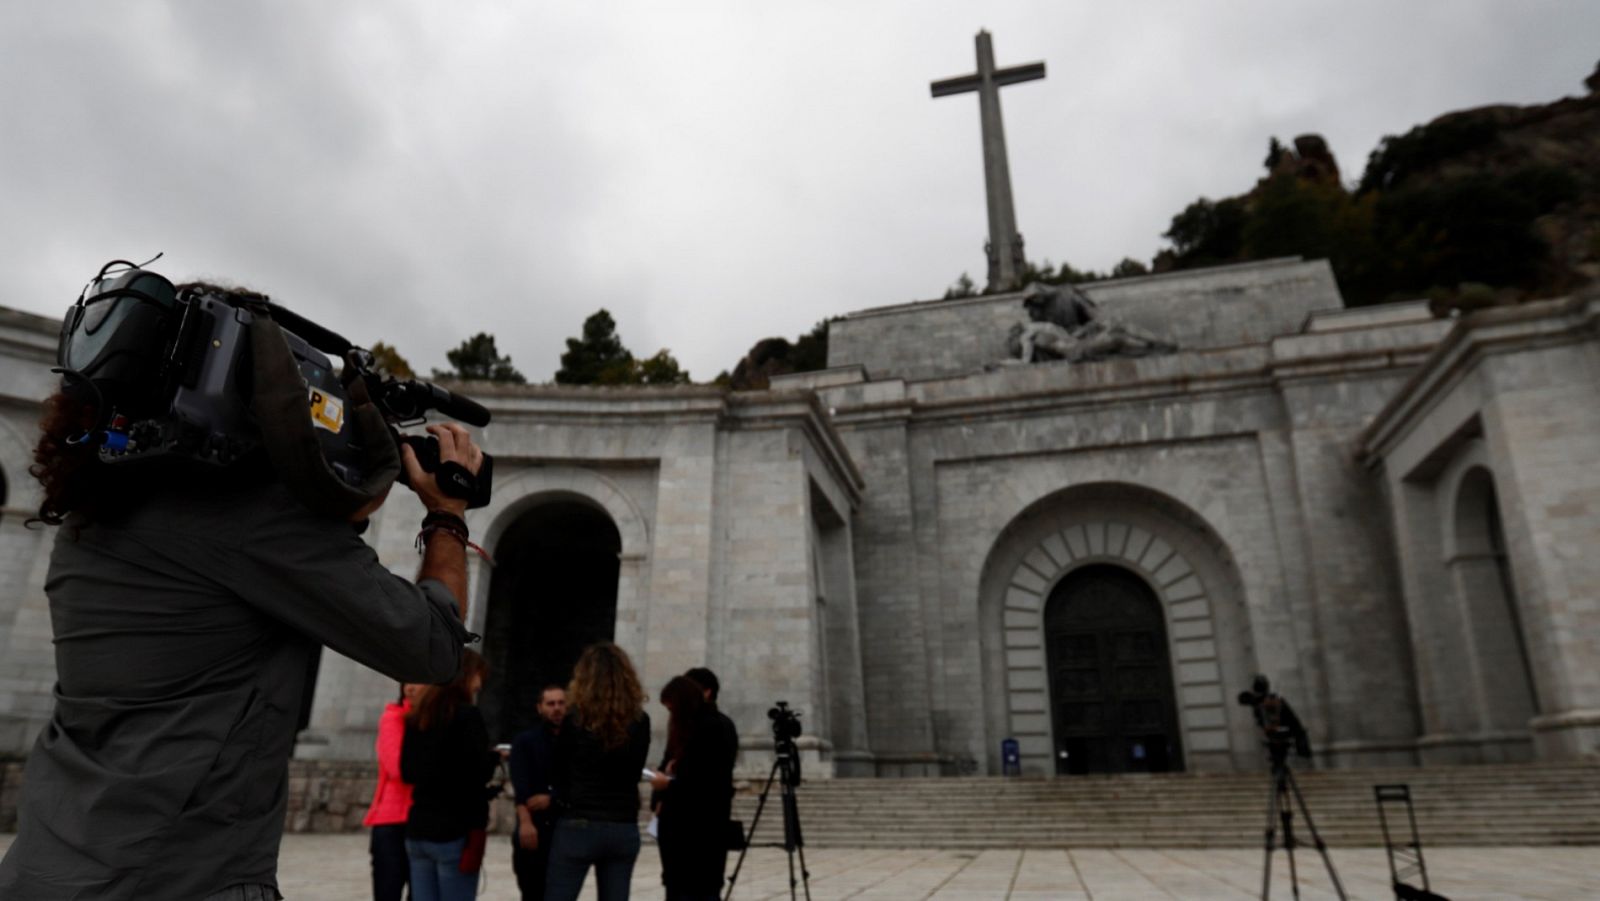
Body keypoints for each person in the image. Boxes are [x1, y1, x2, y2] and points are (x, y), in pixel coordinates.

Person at [0, 275, 485, 900]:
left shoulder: (95, 511)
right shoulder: (250, 521)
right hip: (176, 879)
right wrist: (447, 514)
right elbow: (433, 649)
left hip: (47, 867)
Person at [545, 642, 651, 901]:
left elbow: (558, 770)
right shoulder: (640, 720)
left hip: (579, 820)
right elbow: (635, 769)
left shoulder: (574, 719)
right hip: (622, 823)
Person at [402, 651, 496, 901]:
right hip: (453, 831)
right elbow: (478, 773)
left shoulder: (416, 718)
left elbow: (407, 771)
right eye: (478, 676)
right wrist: (494, 759)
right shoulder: (468, 716)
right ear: (466, 676)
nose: (480, 684)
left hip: (418, 829)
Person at [651, 676, 738, 901]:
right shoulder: (685, 728)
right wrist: (660, 795)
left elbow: (711, 782)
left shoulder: (713, 727)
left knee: (699, 889)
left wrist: (668, 783)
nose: (670, 714)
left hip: (701, 830)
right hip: (679, 830)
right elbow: (668, 763)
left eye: (672, 708)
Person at [366, 682, 427, 901]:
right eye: (407, 682)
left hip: (424, 817)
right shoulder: (393, 717)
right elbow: (396, 767)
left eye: (418, 682)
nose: (411, 687)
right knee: (387, 889)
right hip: (392, 820)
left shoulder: (438, 720)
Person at [508, 684, 568, 901]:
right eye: (551, 704)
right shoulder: (525, 742)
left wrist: (553, 798)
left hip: (564, 828)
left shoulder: (577, 741)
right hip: (534, 825)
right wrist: (525, 822)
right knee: (531, 890)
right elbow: (520, 785)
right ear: (540, 707)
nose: (556, 709)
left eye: (561, 703)